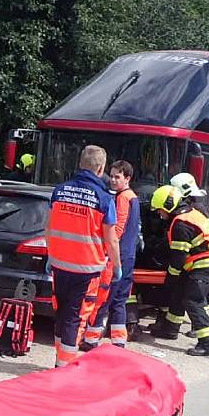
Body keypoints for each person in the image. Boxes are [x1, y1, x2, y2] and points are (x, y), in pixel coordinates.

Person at [46, 145, 121, 367]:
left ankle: (59, 359)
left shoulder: (59, 191)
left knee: (61, 313)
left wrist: (51, 256)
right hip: (86, 268)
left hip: (60, 264)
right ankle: (64, 366)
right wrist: (117, 265)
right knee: (74, 317)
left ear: (80, 164)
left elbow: (48, 227)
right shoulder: (104, 198)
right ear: (101, 168)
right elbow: (112, 239)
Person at [149, 185, 209, 357]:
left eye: (160, 210)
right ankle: (170, 328)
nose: (159, 215)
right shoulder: (190, 214)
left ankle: (208, 343)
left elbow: (178, 258)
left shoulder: (180, 224)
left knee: (193, 301)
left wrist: (171, 276)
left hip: (205, 266)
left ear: (168, 206)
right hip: (205, 262)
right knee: (179, 293)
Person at [80, 160, 141, 350]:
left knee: (102, 300)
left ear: (127, 178)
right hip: (129, 255)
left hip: (117, 257)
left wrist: (107, 252)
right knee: (119, 301)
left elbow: (118, 228)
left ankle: (90, 341)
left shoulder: (123, 198)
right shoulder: (134, 197)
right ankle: (119, 342)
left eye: (117, 177)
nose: (113, 180)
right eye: (112, 176)